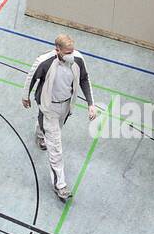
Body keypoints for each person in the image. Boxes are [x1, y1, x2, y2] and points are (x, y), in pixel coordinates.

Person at [21, 34, 98, 202]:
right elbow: (31, 77)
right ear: (58, 50)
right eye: (68, 52)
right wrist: (25, 96)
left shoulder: (77, 59)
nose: (72, 54)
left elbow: (85, 79)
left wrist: (91, 104)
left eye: (73, 50)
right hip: (49, 107)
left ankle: (41, 134)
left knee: (51, 133)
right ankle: (60, 185)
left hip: (66, 106)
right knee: (56, 147)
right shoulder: (44, 62)